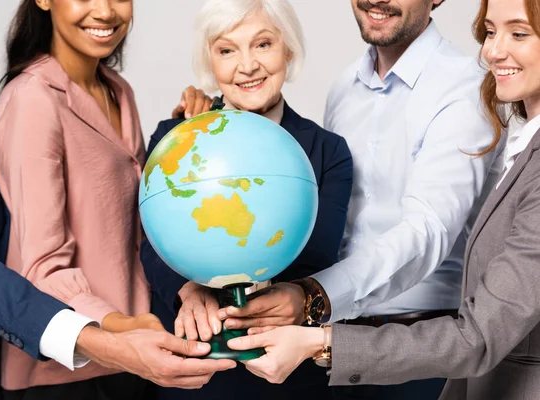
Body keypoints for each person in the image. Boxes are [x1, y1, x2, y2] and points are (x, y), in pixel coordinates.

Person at [179, 0, 499, 398]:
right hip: (335, 348)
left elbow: (427, 230)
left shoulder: (465, 86)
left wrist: (314, 295)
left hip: (420, 346)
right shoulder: (345, 86)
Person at [0, 0, 235, 398]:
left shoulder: (119, 92)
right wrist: (121, 327)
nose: (105, 10)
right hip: (65, 371)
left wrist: (181, 135)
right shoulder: (32, 98)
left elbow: (132, 224)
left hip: (136, 352)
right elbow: (40, 264)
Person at [142, 0, 353, 398]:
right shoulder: (175, 140)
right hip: (194, 364)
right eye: (226, 50)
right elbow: (150, 242)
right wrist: (186, 290)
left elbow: (319, 256)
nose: (247, 65)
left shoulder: (328, 151)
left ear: (287, 49)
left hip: (288, 373)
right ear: (210, 60)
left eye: (262, 45)